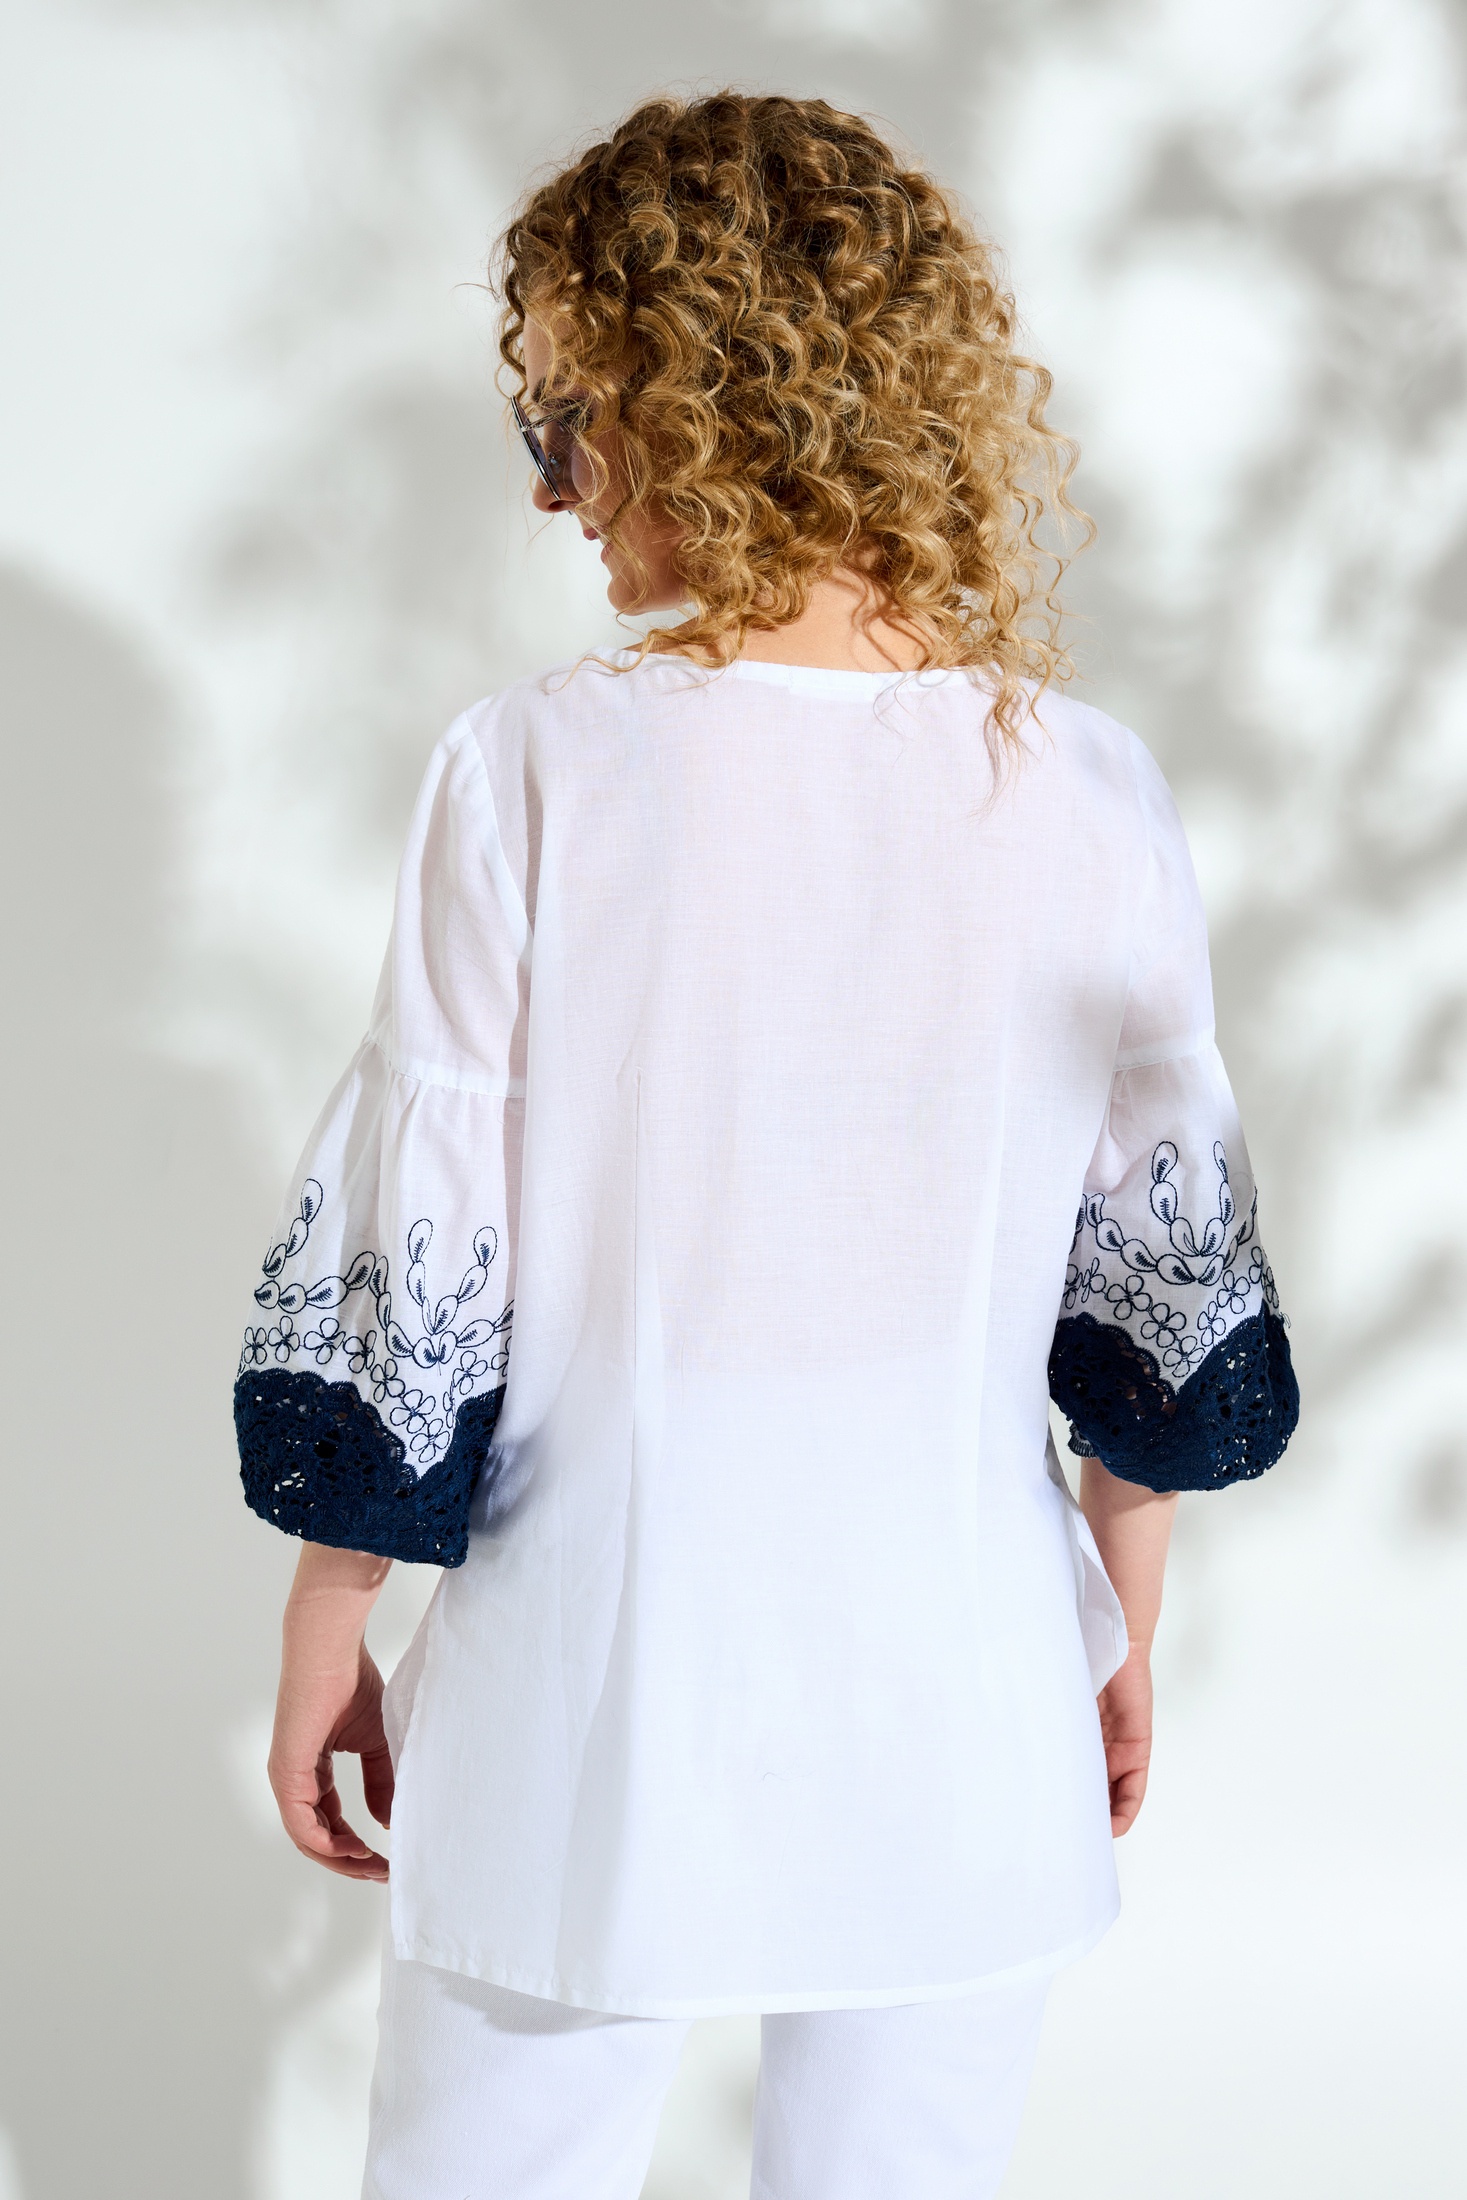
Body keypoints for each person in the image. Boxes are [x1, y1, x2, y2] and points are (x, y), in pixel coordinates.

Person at [235, 91, 1300, 2200]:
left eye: (565, 420)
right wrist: (1118, 1626)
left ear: (692, 401)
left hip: (589, 1675)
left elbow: (420, 1259)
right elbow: (1157, 1279)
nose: (548, 487)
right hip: (971, 1672)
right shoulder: (1090, 789)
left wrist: (325, 1629)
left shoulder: (534, 771)